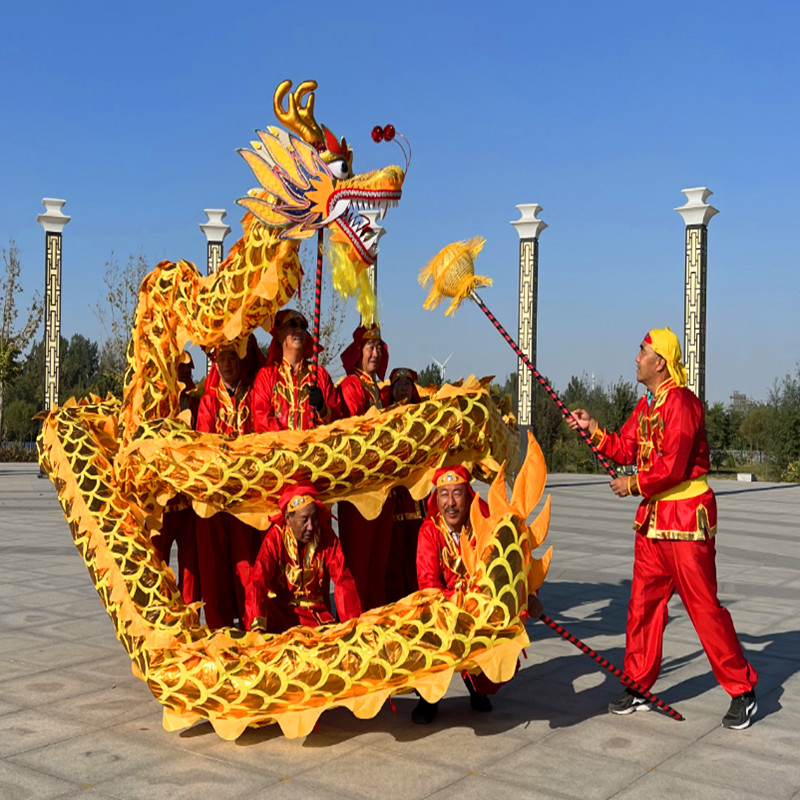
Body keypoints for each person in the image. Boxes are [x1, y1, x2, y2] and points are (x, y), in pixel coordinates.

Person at [567, 327, 758, 730]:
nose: (636, 358)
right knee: (641, 608)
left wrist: (633, 484)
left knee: (703, 608)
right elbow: (624, 446)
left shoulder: (683, 404)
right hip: (654, 523)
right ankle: (638, 683)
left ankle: (742, 690)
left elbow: (671, 465)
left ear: (661, 362)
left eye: (642, 352)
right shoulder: (647, 405)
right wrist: (593, 429)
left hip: (687, 519)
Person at [411, 466, 498, 724]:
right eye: (444, 494)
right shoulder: (429, 531)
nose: (450, 503)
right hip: (442, 610)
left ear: (468, 496)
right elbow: (428, 583)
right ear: (436, 500)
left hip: (479, 608)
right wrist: (458, 604)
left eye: (457, 494)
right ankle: (429, 699)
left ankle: (477, 687)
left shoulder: (482, 528)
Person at [195, 336, 265, 629]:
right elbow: (204, 442)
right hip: (215, 496)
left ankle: (253, 622)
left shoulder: (254, 396)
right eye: (221, 359)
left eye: (232, 358)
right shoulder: (208, 402)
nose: (227, 364)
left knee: (247, 561)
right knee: (213, 565)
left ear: (240, 361)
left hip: (247, 496)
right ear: (215, 364)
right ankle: (218, 626)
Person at [244, 483, 362, 633]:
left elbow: (342, 579)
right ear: (288, 518)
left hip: (315, 614)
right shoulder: (275, 538)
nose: (311, 526)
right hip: (281, 614)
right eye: (304, 520)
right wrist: (257, 625)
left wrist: (352, 625)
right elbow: (257, 581)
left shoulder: (325, 535)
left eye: (314, 518)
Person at [336, 325, 394, 611]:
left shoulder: (377, 390)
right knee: (357, 564)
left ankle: (375, 620)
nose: (375, 352)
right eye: (369, 347)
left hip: (381, 489)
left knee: (378, 563)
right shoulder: (351, 386)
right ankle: (354, 624)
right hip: (359, 490)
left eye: (379, 347)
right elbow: (356, 432)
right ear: (358, 353)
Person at [151, 351, 201, 605]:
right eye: (181, 370)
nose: (186, 374)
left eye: (188, 370)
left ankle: (190, 612)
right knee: (158, 561)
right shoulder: (156, 406)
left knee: (190, 564)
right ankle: (161, 613)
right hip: (160, 500)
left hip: (188, 499)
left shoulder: (195, 405)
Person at [251, 309, 342, 432]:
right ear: (279, 335)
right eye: (292, 324)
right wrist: (291, 443)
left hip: (313, 449)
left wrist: (322, 408)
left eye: (303, 326)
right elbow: (261, 421)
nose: (299, 330)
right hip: (279, 449)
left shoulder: (320, 375)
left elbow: (338, 421)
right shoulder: (266, 376)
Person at [382, 368, 425, 602]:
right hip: (392, 494)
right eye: (399, 385)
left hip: (415, 495)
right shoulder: (384, 416)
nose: (403, 389)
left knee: (415, 553)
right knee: (393, 553)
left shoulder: (421, 416)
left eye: (407, 384)